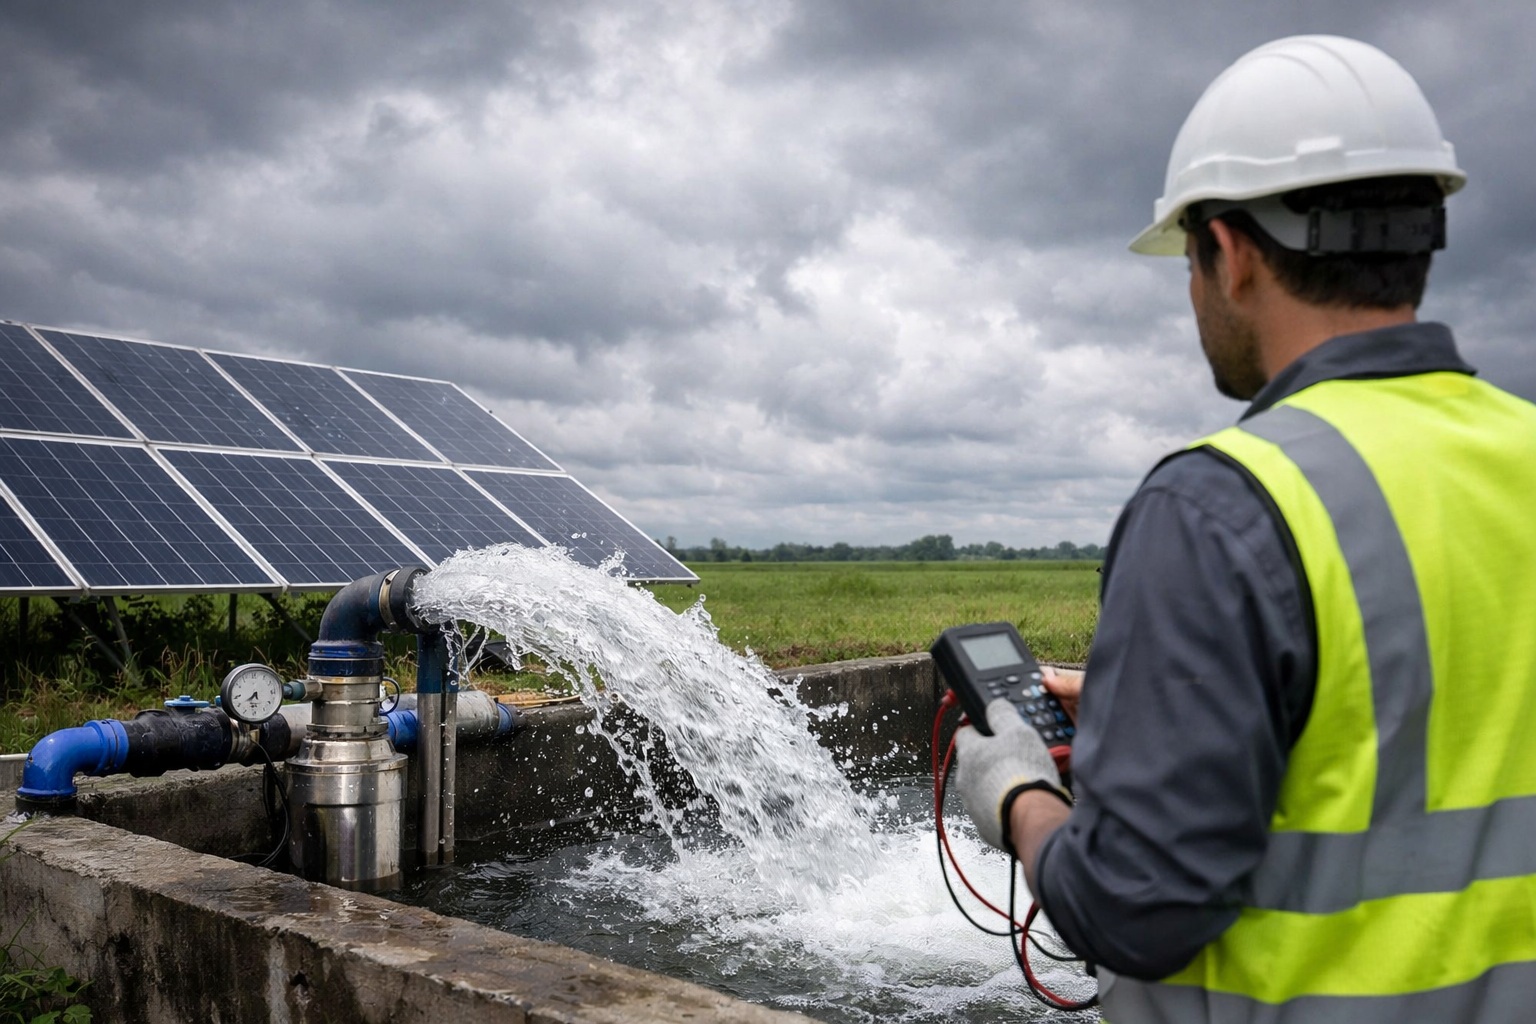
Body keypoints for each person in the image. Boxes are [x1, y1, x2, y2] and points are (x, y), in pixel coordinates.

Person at [954, 34, 1536, 1022]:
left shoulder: (1217, 508)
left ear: (1228, 252)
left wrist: (1015, 797)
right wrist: (1173, 710)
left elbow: (1134, 910)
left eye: (1186, 256)